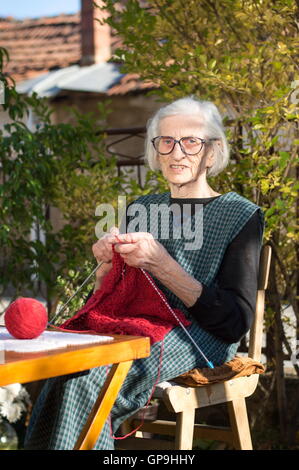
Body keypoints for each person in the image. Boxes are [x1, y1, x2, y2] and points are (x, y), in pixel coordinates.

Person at [24, 96, 264, 450]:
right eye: (166, 141)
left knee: (88, 381)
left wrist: (161, 264)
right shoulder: (143, 208)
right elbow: (112, 298)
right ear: (156, 152)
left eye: (191, 142)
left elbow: (233, 321)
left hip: (199, 334)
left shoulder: (240, 215)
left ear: (212, 153)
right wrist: (105, 267)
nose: (177, 152)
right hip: (132, 328)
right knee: (60, 372)